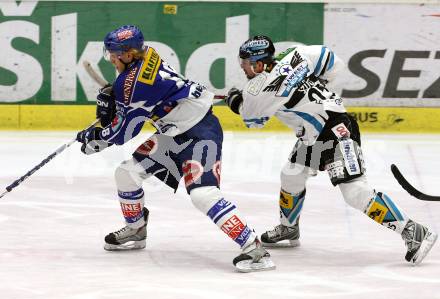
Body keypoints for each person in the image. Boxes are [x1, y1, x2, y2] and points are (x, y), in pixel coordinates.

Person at [76, 25, 275, 272]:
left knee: (203, 195)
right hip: (172, 134)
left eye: (114, 55)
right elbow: (140, 98)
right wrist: (117, 102)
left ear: (128, 54)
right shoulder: (146, 54)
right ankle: (137, 229)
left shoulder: (132, 84)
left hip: (201, 132)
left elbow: (125, 132)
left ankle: (254, 249)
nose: (112, 60)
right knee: (126, 174)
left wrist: (96, 138)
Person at [226, 35, 437, 265]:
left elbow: (253, 121)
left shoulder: (259, 90)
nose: (243, 67)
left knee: (355, 192)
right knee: (291, 175)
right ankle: (289, 228)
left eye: (245, 63)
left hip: (335, 132)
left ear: (259, 64)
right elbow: (335, 62)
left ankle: (414, 231)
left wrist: (235, 101)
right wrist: (310, 85)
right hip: (314, 134)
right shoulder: (296, 55)